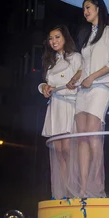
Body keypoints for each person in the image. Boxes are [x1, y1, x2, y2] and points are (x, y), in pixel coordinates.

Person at [68, 0, 109, 198]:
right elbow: (83, 65)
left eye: (88, 7)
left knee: (92, 132)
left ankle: (96, 185)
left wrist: (92, 78)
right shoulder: (88, 35)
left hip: (100, 86)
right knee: (81, 135)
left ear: (98, 8)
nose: (85, 11)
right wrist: (75, 78)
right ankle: (83, 186)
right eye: (83, 9)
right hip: (84, 89)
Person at [38, 25, 82, 199]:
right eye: (51, 38)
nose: (54, 41)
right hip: (55, 107)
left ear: (65, 38)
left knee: (68, 149)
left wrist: (62, 87)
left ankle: (73, 189)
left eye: (57, 37)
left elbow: (80, 79)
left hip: (69, 105)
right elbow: (45, 83)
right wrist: (43, 88)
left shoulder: (75, 58)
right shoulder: (50, 62)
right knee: (58, 150)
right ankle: (62, 191)